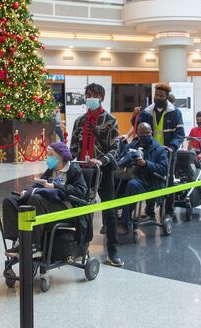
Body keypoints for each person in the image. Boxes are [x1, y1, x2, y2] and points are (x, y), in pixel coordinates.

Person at [69, 83, 123, 267]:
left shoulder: (110, 120)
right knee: (83, 211)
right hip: (83, 171)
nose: (89, 97)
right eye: (87, 94)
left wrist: (103, 160)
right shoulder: (80, 121)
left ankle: (113, 252)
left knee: (110, 212)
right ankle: (81, 248)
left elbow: (116, 147)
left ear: (101, 97)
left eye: (93, 94)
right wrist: (69, 164)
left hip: (103, 171)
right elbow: (73, 147)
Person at [2, 142, 87, 251]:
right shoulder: (51, 170)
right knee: (10, 201)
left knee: (36, 199)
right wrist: (27, 191)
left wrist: (56, 186)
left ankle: (34, 244)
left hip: (66, 208)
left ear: (61, 156)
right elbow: (38, 185)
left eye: (51, 155)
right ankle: (18, 240)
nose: (48, 158)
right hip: (46, 203)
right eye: (48, 155)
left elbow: (81, 191)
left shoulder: (73, 169)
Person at [137, 83, 185, 218]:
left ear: (166, 97)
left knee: (168, 180)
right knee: (150, 179)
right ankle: (149, 210)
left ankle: (169, 210)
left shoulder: (175, 112)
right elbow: (138, 129)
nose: (158, 98)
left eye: (161, 96)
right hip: (151, 152)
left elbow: (180, 133)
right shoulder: (146, 112)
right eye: (156, 95)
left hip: (168, 152)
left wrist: (172, 148)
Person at [116, 123, 169, 235]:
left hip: (151, 181)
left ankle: (125, 223)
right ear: (138, 134)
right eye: (142, 133)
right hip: (131, 176)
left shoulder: (159, 149)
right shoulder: (133, 145)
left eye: (147, 133)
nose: (144, 135)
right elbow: (121, 155)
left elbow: (163, 169)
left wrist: (146, 164)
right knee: (114, 182)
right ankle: (111, 221)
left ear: (151, 133)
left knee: (132, 185)